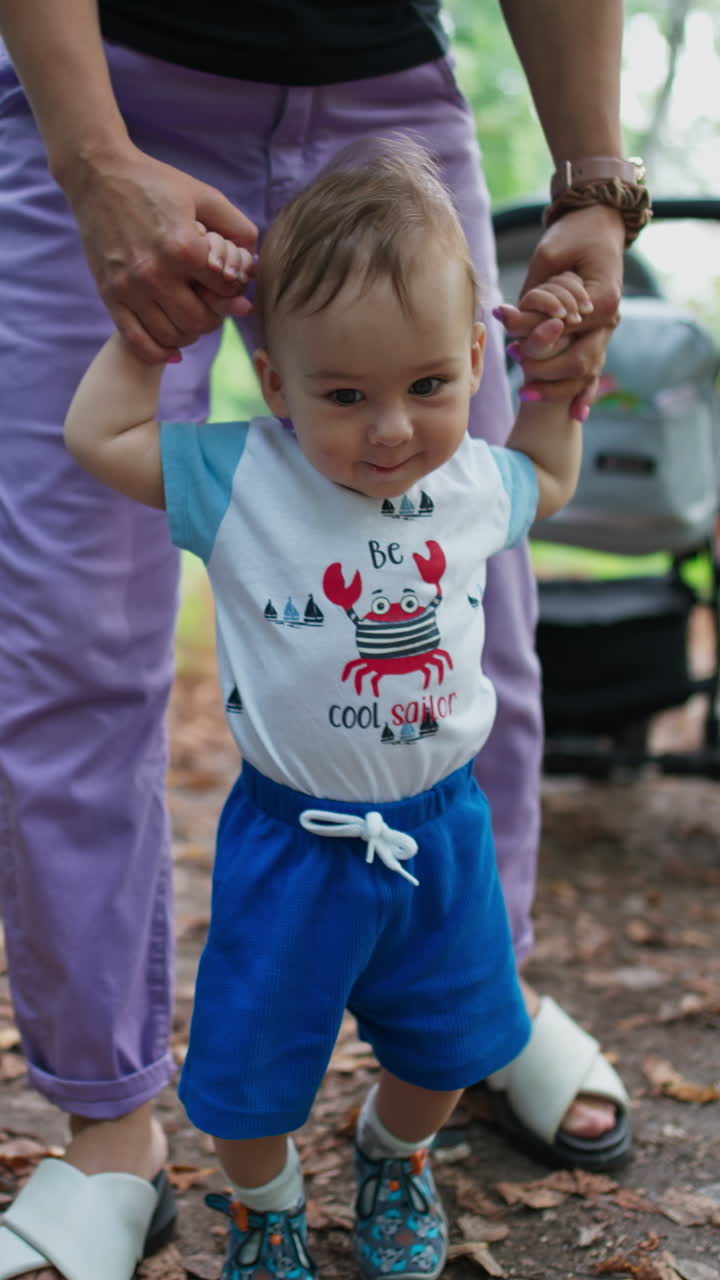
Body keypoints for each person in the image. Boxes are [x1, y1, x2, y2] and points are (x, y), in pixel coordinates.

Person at [0, 4, 640, 1277]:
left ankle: (477, 1013)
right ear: (282, 388)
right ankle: (113, 1127)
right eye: (346, 397)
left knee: (498, 628)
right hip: (114, 78)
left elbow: (535, 479)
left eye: (430, 387)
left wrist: (593, 191)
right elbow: (104, 445)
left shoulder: (469, 467)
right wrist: (97, 168)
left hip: (383, 77)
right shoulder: (244, 475)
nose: (392, 429)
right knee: (67, 641)